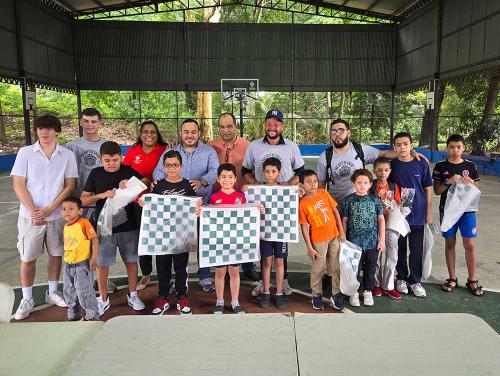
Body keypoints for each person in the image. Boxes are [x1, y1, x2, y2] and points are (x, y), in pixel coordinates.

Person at [11, 115, 78, 320]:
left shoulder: (66, 155)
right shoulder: (25, 153)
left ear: (57, 130)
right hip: (29, 216)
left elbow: (70, 185)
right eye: (40, 128)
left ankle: (52, 292)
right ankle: (27, 297)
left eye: (48, 128)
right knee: (27, 257)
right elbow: (19, 184)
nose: (44, 132)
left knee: (56, 254)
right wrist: (34, 211)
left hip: (57, 215)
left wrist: (50, 209)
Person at [242, 109, 305, 296]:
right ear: (265, 125)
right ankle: (263, 282)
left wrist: (288, 185)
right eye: (269, 123)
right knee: (264, 239)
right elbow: (245, 170)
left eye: (276, 124)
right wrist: (256, 185)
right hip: (262, 199)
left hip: (282, 200)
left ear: (282, 126)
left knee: (281, 238)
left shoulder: (292, 147)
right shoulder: (254, 146)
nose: (272, 127)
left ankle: (283, 281)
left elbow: (300, 172)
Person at [153, 118, 219, 293]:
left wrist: (202, 181)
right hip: (176, 209)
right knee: (179, 243)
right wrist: (162, 183)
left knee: (203, 241)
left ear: (199, 133)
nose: (190, 135)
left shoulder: (209, 151)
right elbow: (158, 171)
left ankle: (204, 276)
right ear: (181, 133)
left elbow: (215, 171)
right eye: (186, 131)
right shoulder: (171, 150)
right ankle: (182, 278)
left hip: (202, 204)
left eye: (193, 132)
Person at [81, 141, 147, 315]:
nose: (111, 164)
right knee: (102, 265)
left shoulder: (127, 171)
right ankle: (103, 298)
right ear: (100, 159)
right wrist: (102, 195)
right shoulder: (95, 174)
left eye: (115, 160)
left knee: (132, 261)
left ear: (121, 158)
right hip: (105, 228)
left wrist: (130, 183)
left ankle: (132, 294)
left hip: (128, 226)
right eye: (107, 160)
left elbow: (145, 182)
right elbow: (84, 200)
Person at [139, 150, 201, 315]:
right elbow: (151, 206)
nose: (171, 168)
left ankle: (182, 296)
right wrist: (143, 202)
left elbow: (194, 208)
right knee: (162, 267)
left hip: (182, 235)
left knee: (181, 268)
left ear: (181, 166)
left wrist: (198, 207)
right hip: (162, 236)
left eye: (175, 165)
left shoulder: (188, 185)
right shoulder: (158, 185)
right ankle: (163, 297)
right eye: (168, 165)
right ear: (163, 167)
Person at [65, 108, 117, 295]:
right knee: (82, 243)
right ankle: (83, 283)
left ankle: (101, 282)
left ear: (100, 123)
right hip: (83, 203)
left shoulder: (107, 145)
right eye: (86, 121)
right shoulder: (72, 146)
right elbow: (69, 177)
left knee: (103, 244)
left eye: (93, 121)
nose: (90, 125)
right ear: (81, 122)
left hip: (104, 204)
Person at [208, 112, 258, 282]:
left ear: (236, 126)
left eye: (229, 126)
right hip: (218, 201)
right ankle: (218, 268)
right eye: (222, 127)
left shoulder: (248, 146)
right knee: (219, 236)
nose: (226, 130)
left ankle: (248, 266)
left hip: (241, 199)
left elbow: (254, 171)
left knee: (243, 234)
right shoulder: (211, 146)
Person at [432, 134, 483, 296]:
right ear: (446, 148)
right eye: (452, 147)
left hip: (467, 211)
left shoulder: (471, 165)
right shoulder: (440, 166)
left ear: (463, 148)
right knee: (450, 243)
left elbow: (477, 190)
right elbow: (437, 190)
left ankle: (472, 279)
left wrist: (470, 183)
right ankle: (452, 278)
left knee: (469, 244)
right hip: (447, 212)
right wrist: (449, 181)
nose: (455, 150)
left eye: (459, 147)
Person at [123, 120, 167, 291]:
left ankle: (165, 273)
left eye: (153, 132)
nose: (149, 135)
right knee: (143, 238)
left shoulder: (165, 149)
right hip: (139, 203)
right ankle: (146, 273)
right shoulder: (133, 151)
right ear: (140, 134)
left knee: (162, 238)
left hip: (161, 202)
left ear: (158, 134)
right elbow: (125, 174)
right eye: (146, 132)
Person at [390, 132, 433, 298]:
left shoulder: (421, 163)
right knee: (399, 248)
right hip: (399, 214)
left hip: (418, 213)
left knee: (416, 249)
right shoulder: (393, 165)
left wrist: (428, 211)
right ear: (394, 147)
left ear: (411, 145)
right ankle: (401, 278)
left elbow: (428, 188)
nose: (402, 147)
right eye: (399, 145)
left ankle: (415, 281)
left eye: (405, 144)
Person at [299, 169, 346, 311]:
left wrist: (341, 231)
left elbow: (335, 211)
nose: (313, 184)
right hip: (318, 241)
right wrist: (309, 247)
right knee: (318, 268)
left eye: (314, 181)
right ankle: (316, 295)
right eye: (308, 182)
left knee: (335, 267)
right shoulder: (303, 203)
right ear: (302, 185)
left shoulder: (324, 193)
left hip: (334, 236)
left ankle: (336, 293)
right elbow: (304, 227)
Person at [247, 158, 289, 309]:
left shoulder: (286, 190)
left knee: (279, 262)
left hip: (281, 232)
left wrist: (298, 192)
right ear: (262, 172)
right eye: (267, 171)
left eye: (273, 171)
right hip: (264, 232)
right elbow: (250, 207)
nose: (270, 174)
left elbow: (293, 205)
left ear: (279, 172)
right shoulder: (257, 190)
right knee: (266, 262)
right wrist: (248, 194)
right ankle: (265, 291)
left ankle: (279, 293)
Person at [340, 169, 385, 307]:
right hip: (353, 244)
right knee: (354, 269)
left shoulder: (375, 200)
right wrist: (344, 239)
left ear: (370, 184)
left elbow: (381, 220)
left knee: (370, 269)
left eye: (365, 182)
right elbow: (345, 221)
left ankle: (367, 291)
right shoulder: (348, 200)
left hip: (372, 243)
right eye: (359, 182)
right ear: (353, 183)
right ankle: (353, 292)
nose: (362, 185)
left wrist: (381, 239)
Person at [210, 163, 247, 314]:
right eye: (223, 177)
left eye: (230, 177)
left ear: (235, 179)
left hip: (235, 241)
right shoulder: (214, 198)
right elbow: (209, 220)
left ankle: (235, 301)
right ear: (218, 179)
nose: (227, 180)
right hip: (219, 242)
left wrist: (257, 210)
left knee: (234, 271)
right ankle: (219, 301)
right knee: (219, 272)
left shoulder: (240, 197)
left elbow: (247, 217)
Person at [61, 197, 100, 321]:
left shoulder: (84, 223)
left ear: (80, 211)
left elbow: (94, 240)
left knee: (84, 290)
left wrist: (94, 258)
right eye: (64, 209)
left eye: (71, 209)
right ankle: (74, 312)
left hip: (82, 265)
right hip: (68, 265)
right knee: (69, 290)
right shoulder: (66, 226)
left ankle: (92, 314)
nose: (67, 211)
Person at [370, 157, 402, 299]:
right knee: (376, 254)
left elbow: (398, 204)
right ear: (374, 171)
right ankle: (375, 284)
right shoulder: (371, 186)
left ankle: (388, 286)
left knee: (392, 254)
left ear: (390, 171)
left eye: (386, 170)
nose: (383, 173)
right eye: (379, 170)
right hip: (375, 224)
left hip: (391, 225)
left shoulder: (393, 186)